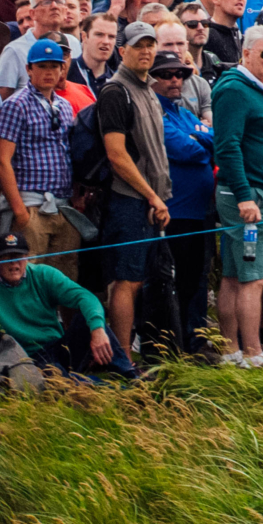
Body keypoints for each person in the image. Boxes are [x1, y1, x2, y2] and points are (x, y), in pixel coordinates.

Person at [92, 21, 171, 361]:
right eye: (139, 45)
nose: (146, 51)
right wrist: (151, 196)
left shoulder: (148, 89)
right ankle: (122, 360)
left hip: (151, 201)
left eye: (150, 44)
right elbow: (117, 155)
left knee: (140, 280)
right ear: (122, 51)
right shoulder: (115, 91)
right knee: (125, 281)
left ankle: (136, 353)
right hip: (128, 200)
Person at [211, 24, 263, 367]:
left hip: (260, 189)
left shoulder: (257, 88)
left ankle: (231, 350)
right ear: (245, 53)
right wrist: (244, 196)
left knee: (233, 274)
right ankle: (253, 352)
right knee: (254, 276)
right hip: (248, 194)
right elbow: (227, 146)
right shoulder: (235, 89)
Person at [0, 235, 125, 383]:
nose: (14, 264)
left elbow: (85, 297)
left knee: (88, 319)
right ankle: (118, 392)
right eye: (8, 258)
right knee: (59, 383)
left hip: (57, 346)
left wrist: (97, 328)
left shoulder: (43, 274)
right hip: (22, 359)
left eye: (19, 257)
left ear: (27, 258)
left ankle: (130, 375)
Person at [0, 37, 79, 267]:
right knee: (27, 278)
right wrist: (20, 211)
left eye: (54, 66)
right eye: (42, 66)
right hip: (31, 205)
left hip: (63, 205)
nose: (49, 72)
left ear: (62, 69)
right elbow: (1, 160)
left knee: (64, 280)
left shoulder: (65, 106)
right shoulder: (15, 104)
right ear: (29, 69)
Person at [153, 47, 218, 357]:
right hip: (174, 210)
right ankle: (172, 344)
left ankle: (193, 340)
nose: (174, 79)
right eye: (165, 75)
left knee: (195, 279)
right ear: (151, 79)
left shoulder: (182, 110)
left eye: (179, 73)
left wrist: (201, 138)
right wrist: (201, 140)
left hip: (198, 210)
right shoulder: (155, 109)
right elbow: (184, 149)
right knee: (174, 282)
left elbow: (214, 137)